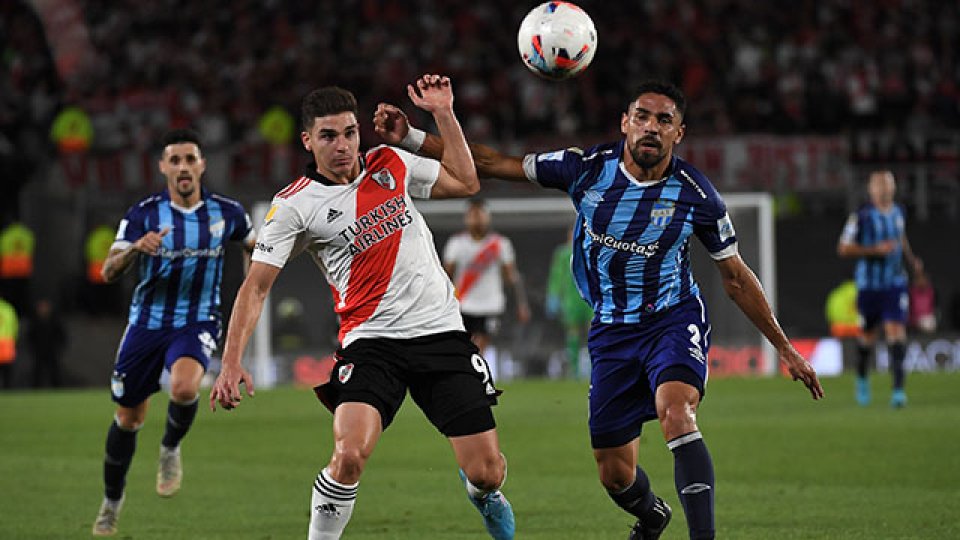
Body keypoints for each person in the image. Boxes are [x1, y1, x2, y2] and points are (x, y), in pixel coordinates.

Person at [377, 79, 823, 540]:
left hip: (671, 318)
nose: (652, 127)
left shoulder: (697, 194)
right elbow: (491, 163)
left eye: (664, 120)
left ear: (679, 133)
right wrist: (412, 135)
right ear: (625, 123)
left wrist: (786, 348)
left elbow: (734, 276)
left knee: (676, 413)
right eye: (643, 117)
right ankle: (652, 517)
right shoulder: (585, 168)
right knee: (615, 474)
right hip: (610, 330)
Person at [210, 75, 515, 540]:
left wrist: (443, 114)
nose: (343, 145)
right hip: (371, 344)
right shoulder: (294, 206)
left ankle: (483, 493)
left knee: (487, 471)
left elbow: (467, 180)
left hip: (441, 333)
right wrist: (232, 362)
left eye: (350, 132)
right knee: (349, 455)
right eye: (329, 136)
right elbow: (255, 287)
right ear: (308, 140)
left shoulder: (389, 161)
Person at [91, 128, 256, 536]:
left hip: (198, 320)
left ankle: (169, 448)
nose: (183, 167)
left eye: (190, 159)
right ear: (163, 167)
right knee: (129, 418)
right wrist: (133, 250)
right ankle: (112, 502)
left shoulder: (228, 213)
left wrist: (255, 283)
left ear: (202, 165)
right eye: (175, 160)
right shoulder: (143, 214)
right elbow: (107, 272)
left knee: (184, 389)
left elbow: (257, 246)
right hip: (146, 325)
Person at [838, 170, 922, 408]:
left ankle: (898, 391)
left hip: (894, 284)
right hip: (869, 286)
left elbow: (901, 237)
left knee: (896, 332)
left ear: (894, 187)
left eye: (888, 184)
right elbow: (843, 248)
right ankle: (863, 379)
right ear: (871, 189)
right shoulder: (861, 217)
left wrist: (911, 259)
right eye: (879, 184)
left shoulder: (899, 212)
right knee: (867, 338)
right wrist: (875, 250)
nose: (884, 188)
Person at [442, 198, 530, 374]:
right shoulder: (456, 244)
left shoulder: (500, 244)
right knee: (465, 343)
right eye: (473, 215)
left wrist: (521, 304)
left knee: (481, 343)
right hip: (463, 303)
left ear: (487, 217)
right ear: (466, 218)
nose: (477, 219)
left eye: (480, 214)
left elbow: (511, 277)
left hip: (490, 304)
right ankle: (471, 374)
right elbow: (446, 276)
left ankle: (475, 375)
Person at [546, 228, 594, 379]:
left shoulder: (588, 248)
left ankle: (594, 368)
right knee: (572, 333)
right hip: (570, 299)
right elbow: (556, 275)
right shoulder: (562, 253)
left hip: (588, 297)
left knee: (592, 332)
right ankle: (575, 370)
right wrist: (553, 295)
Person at [26, 298, 67, 388]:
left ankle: (58, 389)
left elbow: (61, 336)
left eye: (45, 307)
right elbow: (30, 337)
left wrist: (59, 347)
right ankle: (35, 390)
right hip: (39, 351)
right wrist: (32, 348)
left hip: (52, 351)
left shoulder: (54, 321)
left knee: (55, 371)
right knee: (37, 372)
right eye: (41, 307)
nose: (43, 309)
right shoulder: (35, 322)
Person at [0, 295, 17, 388]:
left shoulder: (8, 308)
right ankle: (8, 390)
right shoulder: (8, 308)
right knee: (7, 371)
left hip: (6, 344)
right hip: (7, 343)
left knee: (6, 371)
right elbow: (14, 326)